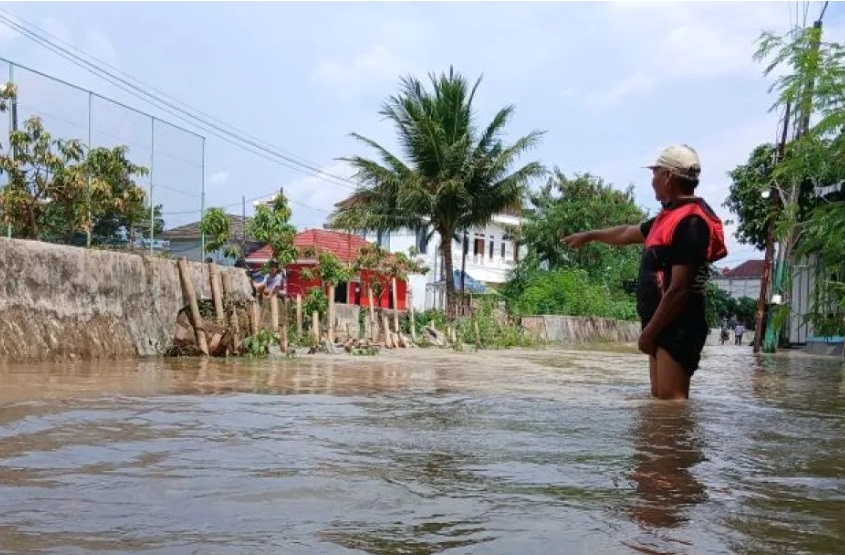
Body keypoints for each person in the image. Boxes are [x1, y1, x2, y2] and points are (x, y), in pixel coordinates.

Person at [562, 144, 728, 400]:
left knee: (672, 404)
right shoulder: (670, 216)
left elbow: (680, 289)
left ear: (668, 176)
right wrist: (589, 236)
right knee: (659, 404)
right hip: (663, 324)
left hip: (677, 325)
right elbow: (627, 233)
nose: (652, 181)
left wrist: (649, 333)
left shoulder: (691, 222)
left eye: (655, 173)